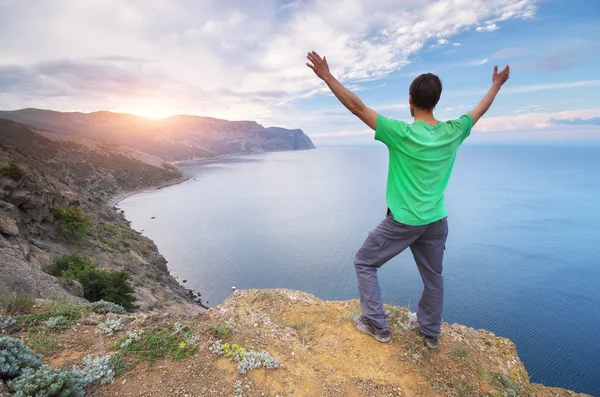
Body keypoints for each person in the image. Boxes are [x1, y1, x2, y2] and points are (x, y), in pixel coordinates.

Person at [306, 51, 510, 349]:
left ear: (410, 100)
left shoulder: (399, 133)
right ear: (435, 101)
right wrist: (496, 85)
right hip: (436, 221)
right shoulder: (454, 131)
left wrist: (327, 76)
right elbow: (480, 110)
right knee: (433, 278)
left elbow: (356, 106)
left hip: (403, 221)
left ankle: (377, 324)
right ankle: (429, 333)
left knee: (364, 262)